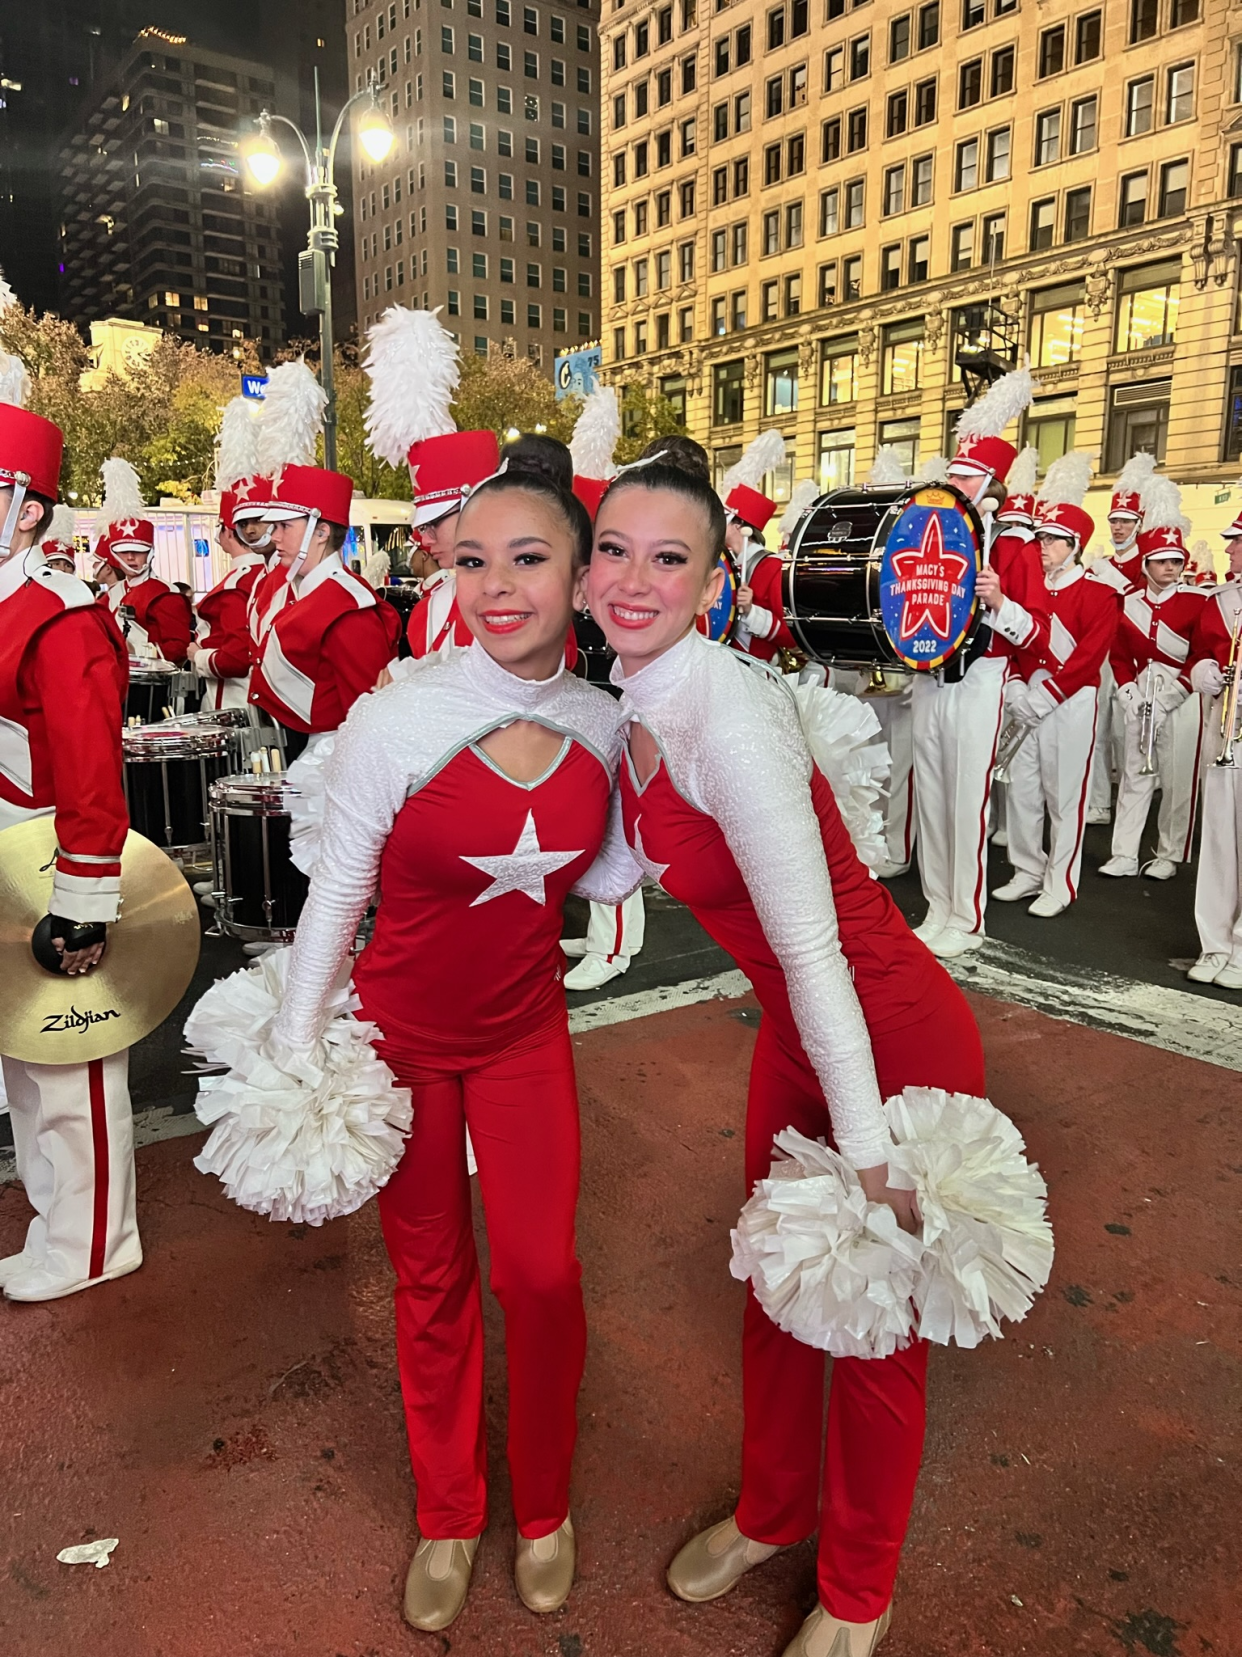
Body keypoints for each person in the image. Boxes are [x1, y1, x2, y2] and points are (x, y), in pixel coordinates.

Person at [584, 458, 986, 1657]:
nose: (634, 579)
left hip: (886, 1032)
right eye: (614, 550)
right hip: (802, 1036)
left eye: (670, 558)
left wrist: (866, 1151)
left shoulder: (731, 713)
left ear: (715, 579)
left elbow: (814, 949)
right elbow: (609, 868)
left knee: (874, 1319)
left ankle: (861, 1590)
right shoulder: (628, 697)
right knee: (773, 1281)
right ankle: (773, 1509)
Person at [245, 464, 639, 1630]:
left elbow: (612, 872)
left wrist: (693, 798)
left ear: (581, 573)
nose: (497, 587)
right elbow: (335, 896)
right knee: (430, 1280)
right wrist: (296, 1053)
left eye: (528, 559)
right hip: (396, 1046)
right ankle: (450, 1507)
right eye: (473, 561)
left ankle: (547, 1504)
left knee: (542, 1273)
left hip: (524, 1037)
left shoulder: (609, 725)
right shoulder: (399, 716)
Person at [0, 393, 139, 1303]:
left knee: (71, 1057)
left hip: (50, 855)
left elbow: (92, 777)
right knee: (22, 1045)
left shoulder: (59, 613)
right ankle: (57, 1216)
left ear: (28, 506)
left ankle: (96, 1239)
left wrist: (84, 902)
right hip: (7, 852)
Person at [912, 367, 1044, 958]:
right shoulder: (924, 529)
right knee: (931, 796)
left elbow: (1034, 630)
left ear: (990, 484)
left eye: (966, 475)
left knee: (968, 801)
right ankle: (937, 904)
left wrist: (999, 602)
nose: (954, 482)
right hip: (931, 675)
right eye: (954, 472)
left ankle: (966, 917)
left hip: (981, 674)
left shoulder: (1015, 545)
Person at [991, 464, 1120, 917]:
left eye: (1052, 540)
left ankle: (1060, 882)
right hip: (1027, 695)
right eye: (1041, 538)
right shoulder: (1031, 589)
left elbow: (1087, 658)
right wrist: (1015, 687)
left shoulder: (1101, 595)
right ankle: (1026, 870)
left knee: (1063, 794)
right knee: (1023, 790)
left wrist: (1046, 694)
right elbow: (1012, 642)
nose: (1042, 547)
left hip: (1069, 700)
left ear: (1075, 546)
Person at [247, 464, 397, 762]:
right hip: (294, 753)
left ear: (321, 532)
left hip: (327, 761)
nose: (274, 537)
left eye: (284, 527)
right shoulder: (304, 591)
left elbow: (368, 712)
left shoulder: (348, 607)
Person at [1100, 477, 1206, 881]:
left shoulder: (1199, 601)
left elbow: (1202, 653)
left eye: (1176, 561)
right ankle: (1124, 852)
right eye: (1162, 561)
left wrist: (1173, 695)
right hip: (1139, 692)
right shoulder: (1127, 603)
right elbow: (1119, 652)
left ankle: (1169, 852)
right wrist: (1128, 691)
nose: (1170, 568)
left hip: (1181, 697)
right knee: (1134, 773)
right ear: (1146, 564)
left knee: (1177, 779)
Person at [1084, 453, 1156, 824]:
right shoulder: (1099, 566)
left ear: (1139, 524)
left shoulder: (1151, 564)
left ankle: (1130, 805)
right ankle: (1099, 802)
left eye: (1127, 522)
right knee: (1095, 733)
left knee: (1125, 736)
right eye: (1114, 521)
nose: (1119, 528)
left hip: (1132, 658)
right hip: (1102, 655)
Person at [1185, 525, 1242, 985]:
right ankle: (1215, 942)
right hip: (1224, 729)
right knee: (1219, 840)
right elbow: (1199, 652)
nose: (1229, 548)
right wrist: (1202, 670)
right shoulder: (1219, 600)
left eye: (1238, 541)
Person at [93, 460, 194, 665]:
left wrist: (136, 650)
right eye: (125, 552)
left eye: (137, 552)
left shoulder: (166, 595)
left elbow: (179, 648)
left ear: (149, 552)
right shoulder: (111, 595)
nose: (131, 558)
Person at [189, 488, 265, 711]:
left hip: (235, 701)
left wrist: (198, 656)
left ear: (228, 532)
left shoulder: (237, 585)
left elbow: (236, 658)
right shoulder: (267, 575)